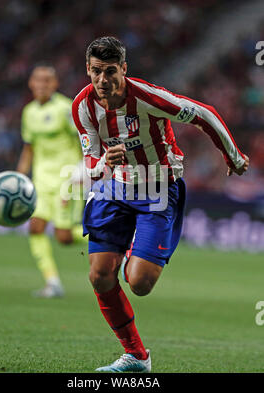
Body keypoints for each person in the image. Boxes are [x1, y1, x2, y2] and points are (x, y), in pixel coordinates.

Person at [72, 37, 249, 372]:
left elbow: (203, 114)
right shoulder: (83, 107)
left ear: (124, 69)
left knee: (139, 283)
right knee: (99, 275)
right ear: (88, 69)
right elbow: (91, 163)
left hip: (158, 190)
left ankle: (130, 252)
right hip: (115, 190)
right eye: (96, 72)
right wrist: (102, 164)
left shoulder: (147, 98)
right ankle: (137, 356)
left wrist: (233, 155)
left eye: (110, 71)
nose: (103, 80)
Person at [17, 64, 83, 298]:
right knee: (35, 227)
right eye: (38, 80)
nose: (42, 85)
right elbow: (29, 148)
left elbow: (86, 141)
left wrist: (83, 173)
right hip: (41, 180)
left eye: (47, 81)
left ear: (54, 84)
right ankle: (52, 282)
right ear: (31, 83)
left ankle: (115, 239)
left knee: (64, 237)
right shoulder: (29, 112)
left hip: (68, 179)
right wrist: (19, 177)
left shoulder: (66, 108)